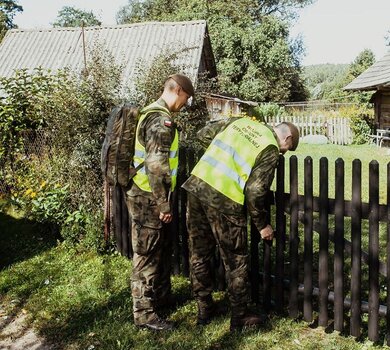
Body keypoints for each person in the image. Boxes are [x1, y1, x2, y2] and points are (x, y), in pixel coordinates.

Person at [182, 116, 299, 331]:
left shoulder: (240, 122)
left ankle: (204, 308)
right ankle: (240, 316)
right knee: (236, 261)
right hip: (224, 199)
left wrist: (225, 158)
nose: (282, 153)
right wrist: (262, 225)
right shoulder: (270, 147)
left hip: (197, 187)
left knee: (199, 252)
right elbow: (255, 191)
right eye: (287, 149)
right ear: (287, 138)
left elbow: (202, 134)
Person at [126, 74, 194, 331]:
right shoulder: (161, 121)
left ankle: (158, 300)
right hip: (149, 198)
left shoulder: (149, 112)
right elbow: (155, 167)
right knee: (146, 255)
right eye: (185, 99)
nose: (185, 105)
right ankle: (143, 314)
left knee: (156, 251)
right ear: (176, 91)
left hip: (142, 194)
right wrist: (163, 205)